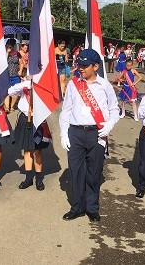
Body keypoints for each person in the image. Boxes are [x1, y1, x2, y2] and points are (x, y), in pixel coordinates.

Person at [59, 49, 119, 223]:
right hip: (76, 133)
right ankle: (77, 207)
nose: (81, 69)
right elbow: (66, 111)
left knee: (94, 172)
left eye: (85, 66)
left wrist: (109, 125)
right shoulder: (73, 84)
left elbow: (114, 109)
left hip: (96, 133)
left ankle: (92, 208)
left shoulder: (104, 86)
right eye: (79, 65)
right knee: (76, 172)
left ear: (96, 66)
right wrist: (64, 133)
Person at [9, 70, 52, 191]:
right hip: (25, 117)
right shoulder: (24, 86)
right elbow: (10, 91)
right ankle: (28, 178)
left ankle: (39, 178)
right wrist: (25, 84)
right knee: (27, 149)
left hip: (37, 118)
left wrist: (36, 85)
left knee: (37, 150)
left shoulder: (41, 86)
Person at [4, 44, 22, 112]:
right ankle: (7, 107)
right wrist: (7, 53)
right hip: (7, 75)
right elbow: (4, 62)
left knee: (16, 91)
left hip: (15, 75)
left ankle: (11, 106)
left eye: (11, 46)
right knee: (7, 92)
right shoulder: (4, 53)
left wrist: (20, 70)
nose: (10, 48)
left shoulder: (17, 53)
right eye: (8, 47)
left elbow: (21, 62)